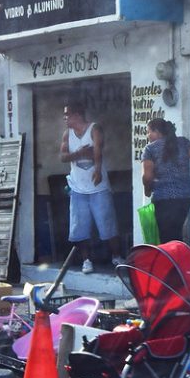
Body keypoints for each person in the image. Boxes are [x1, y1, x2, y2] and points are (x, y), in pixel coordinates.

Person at [60, 100, 124, 274]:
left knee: (107, 223)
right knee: (80, 227)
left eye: (68, 115)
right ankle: (86, 260)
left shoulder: (94, 128)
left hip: (98, 188)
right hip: (77, 187)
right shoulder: (67, 134)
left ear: (77, 115)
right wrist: (80, 153)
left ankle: (116, 256)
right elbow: (63, 157)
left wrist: (97, 170)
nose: (65, 118)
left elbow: (97, 150)